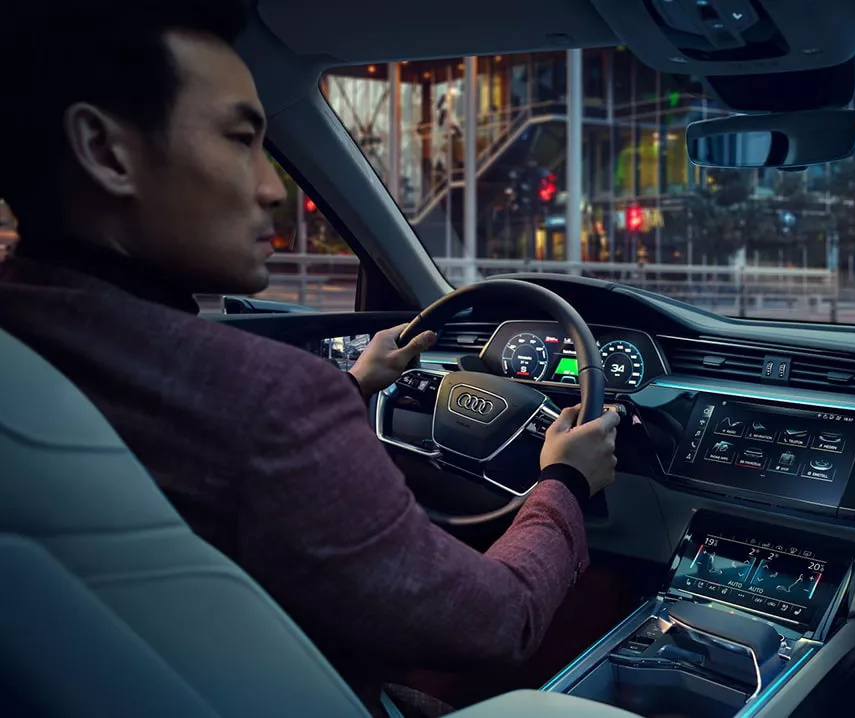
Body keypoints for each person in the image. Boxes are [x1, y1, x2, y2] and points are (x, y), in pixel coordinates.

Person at [0, 3, 620, 717]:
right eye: (242, 139)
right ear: (105, 152)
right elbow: (500, 621)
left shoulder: (25, 332)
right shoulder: (271, 403)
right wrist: (566, 481)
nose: (273, 187)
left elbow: (211, 451)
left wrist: (355, 385)